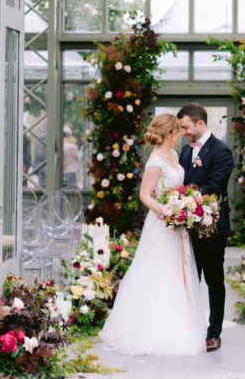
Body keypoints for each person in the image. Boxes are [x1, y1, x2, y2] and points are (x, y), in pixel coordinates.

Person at [100, 113, 207, 355]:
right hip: (162, 224)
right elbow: (145, 195)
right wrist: (168, 212)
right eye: (178, 130)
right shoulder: (156, 160)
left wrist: (186, 201)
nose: (182, 133)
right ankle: (151, 329)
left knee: (177, 271)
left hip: (176, 223)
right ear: (169, 133)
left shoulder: (172, 155)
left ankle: (181, 324)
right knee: (158, 270)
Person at [177, 103, 234, 352]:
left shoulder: (221, 151)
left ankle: (214, 332)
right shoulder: (185, 151)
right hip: (186, 227)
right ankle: (189, 328)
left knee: (213, 280)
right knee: (189, 279)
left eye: (186, 127)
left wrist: (184, 196)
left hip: (211, 228)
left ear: (200, 123)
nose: (183, 132)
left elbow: (215, 185)